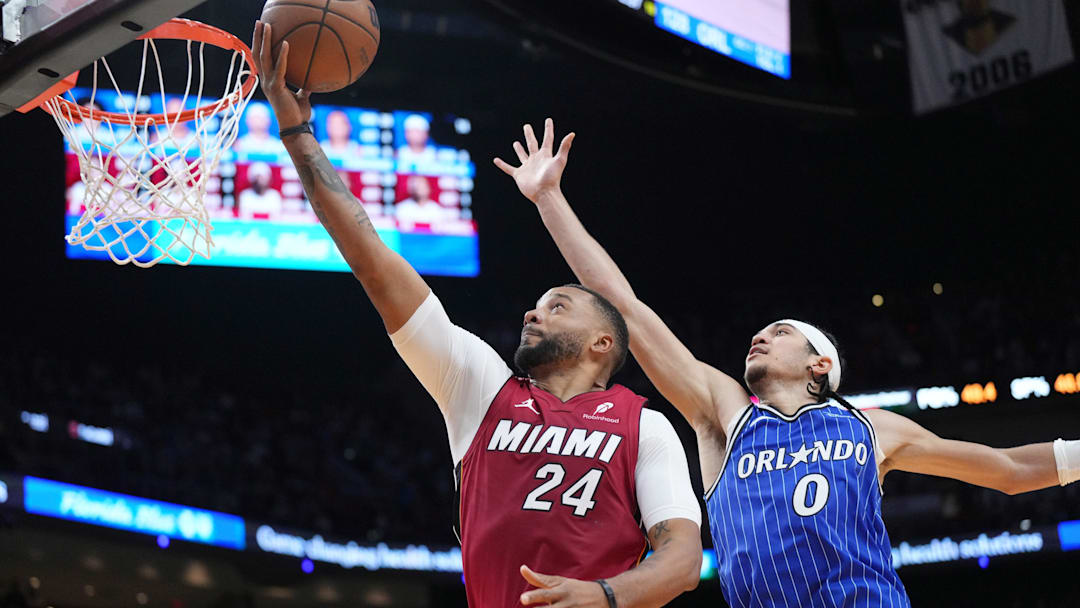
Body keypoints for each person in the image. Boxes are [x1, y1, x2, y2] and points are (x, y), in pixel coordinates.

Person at [496, 119, 1080, 608]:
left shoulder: (872, 427)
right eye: (758, 333)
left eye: (778, 334)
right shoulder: (724, 415)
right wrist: (549, 198)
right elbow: (625, 308)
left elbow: (1006, 468)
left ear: (819, 364)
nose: (758, 338)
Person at [251, 22, 705, 608]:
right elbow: (373, 261)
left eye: (556, 305)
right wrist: (296, 133)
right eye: (537, 306)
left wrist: (604, 596)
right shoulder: (480, 385)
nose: (531, 314)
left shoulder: (644, 426)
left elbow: (683, 560)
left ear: (602, 342)